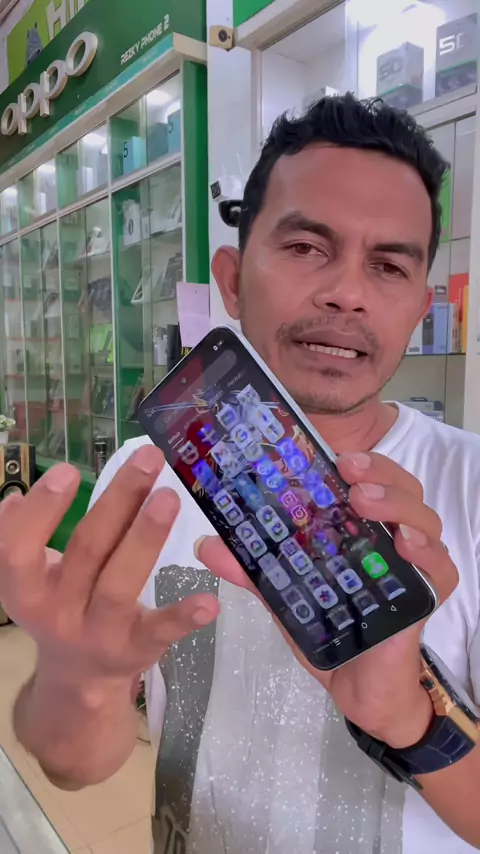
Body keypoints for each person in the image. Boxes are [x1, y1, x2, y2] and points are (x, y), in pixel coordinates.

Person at [1, 94, 480, 854]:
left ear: (420, 306)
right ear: (231, 278)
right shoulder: (145, 481)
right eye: (307, 247)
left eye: (388, 265)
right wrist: (78, 678)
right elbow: (72, 766)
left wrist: (411, 721)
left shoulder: (470, 488)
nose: (347, 292)